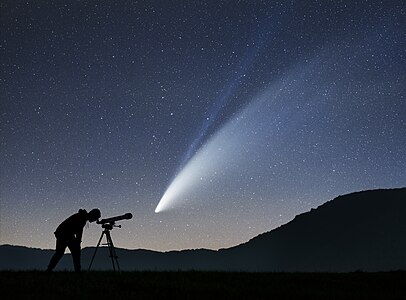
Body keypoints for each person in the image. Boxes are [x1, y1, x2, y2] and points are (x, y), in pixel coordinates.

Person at [47, 208, 101, 272]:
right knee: (75, 252)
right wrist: (78, 242)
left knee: (59, 253)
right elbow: (79, 231)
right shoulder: (82, 218)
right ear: (93, 215)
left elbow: (79, 231)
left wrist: (78, 241)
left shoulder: (82, 216)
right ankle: (77, 271)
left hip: (62, 233)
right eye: (95, 218)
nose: (95, 220)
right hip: (65, 234)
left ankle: (49, 269)